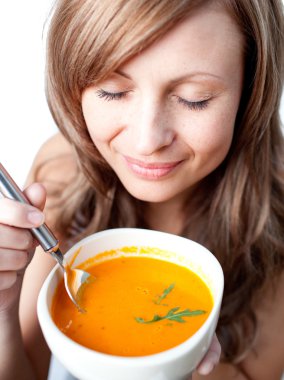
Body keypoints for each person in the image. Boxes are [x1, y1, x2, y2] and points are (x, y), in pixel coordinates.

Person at [0, 0, 283, 379]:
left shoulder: (275, 229)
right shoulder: (61, 176)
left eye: (193, 99)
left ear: (249, 92)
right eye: (113, 92)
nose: (147, 140)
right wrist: (2, 313)